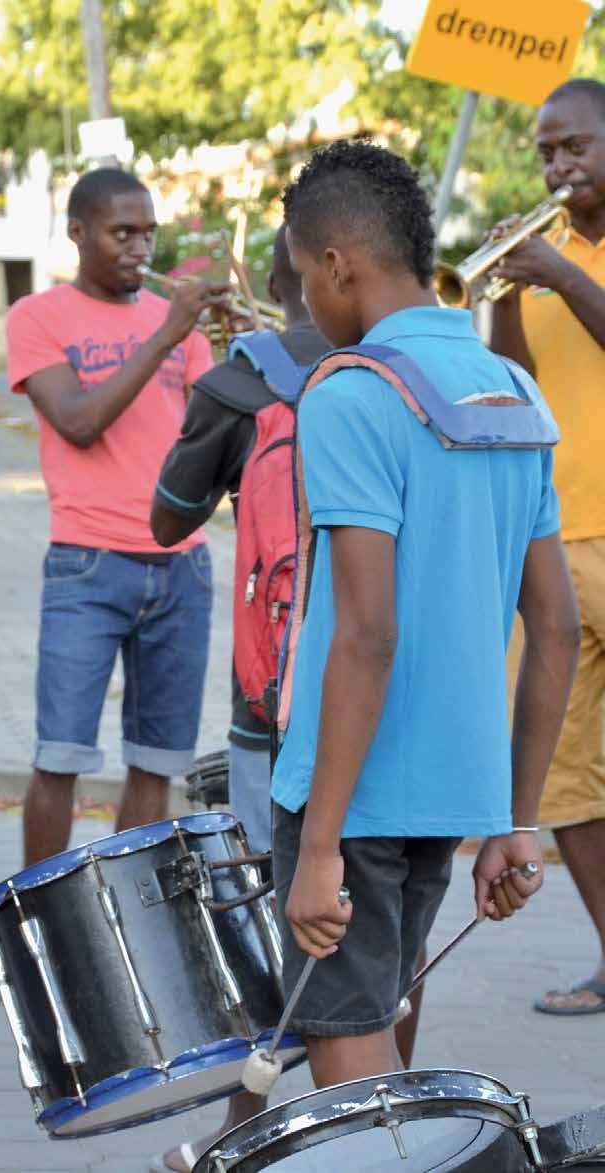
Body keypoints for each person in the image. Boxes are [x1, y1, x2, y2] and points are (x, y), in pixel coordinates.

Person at [272, 139, 578, 1089]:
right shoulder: (512, 389)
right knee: (388, 1012)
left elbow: (368, 632)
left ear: (336, 265)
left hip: (353, 786)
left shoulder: (353, 392)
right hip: (453, 786)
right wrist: (515, 821)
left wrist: (318, 844)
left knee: (350, 1057)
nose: (307, 304)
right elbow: (556, 629)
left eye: (300, 276)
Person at [146, 230, 329, 1171]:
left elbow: (166, 516)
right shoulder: (406, 370)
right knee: (377, 932)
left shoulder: (236, 381)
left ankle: (238, 1137)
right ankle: (399, 1129)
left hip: (276, 704)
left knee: (278, 917)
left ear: (272, 279)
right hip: (402, 704)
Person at [6, 167, 225, 867]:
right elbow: (76, 422)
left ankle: (133, 923)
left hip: (182, 564)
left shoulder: (182, 328)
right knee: (60, 756)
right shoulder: (37, 317)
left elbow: (206, 435)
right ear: (77, 233)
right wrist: (163, 337)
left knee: (156, 764)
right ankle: (41, 926)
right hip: (87, 563)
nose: (140, 248)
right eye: (121, 232)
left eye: (148, 232)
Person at [489, 77, 605, 1017]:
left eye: (574, 147)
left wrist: (564, 277)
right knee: (559, 773)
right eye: (545, 153)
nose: (558, 167)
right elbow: (514, 388)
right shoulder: (549, 257)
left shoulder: (573, 265)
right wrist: (496, 287)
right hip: (556, 542)